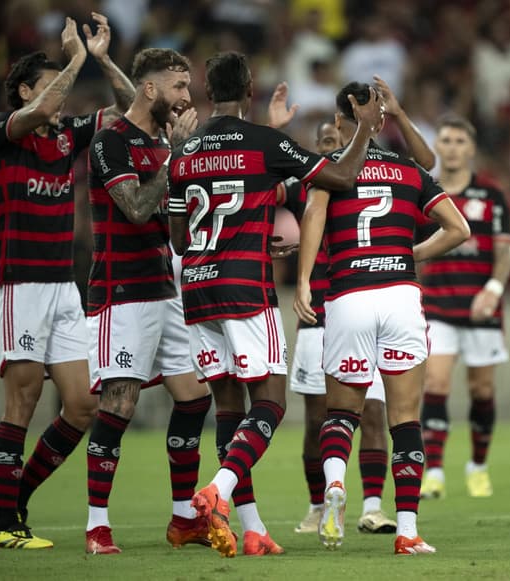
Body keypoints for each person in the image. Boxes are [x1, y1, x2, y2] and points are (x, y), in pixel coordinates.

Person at [168, 51, 383, 559]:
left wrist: (253, 229)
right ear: (250, 88)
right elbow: (342, 177)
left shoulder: (185, 151)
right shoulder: (265, 142)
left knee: (228, 409)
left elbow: (180, 239)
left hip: (197, 289)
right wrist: (365, 130)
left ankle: (253, 527)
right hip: (246, 290)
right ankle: (216, 490)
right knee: (270, 403)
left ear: (206, 88)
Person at [293, 81, 470, 555]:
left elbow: (313, 217)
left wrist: (306, 279)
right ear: (381, 118)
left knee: (341, 413)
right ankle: (408, 532)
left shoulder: (331, 169)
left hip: (348, 295)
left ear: (338, 123)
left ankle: (335, 488)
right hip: (399, 297)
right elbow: (459, 228)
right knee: (406, 418)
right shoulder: (407, 169)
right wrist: (410, 254)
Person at [0, 13, 133, 550]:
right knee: (21, 403)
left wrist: (102, 58)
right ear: (24, 90)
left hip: (63, 287)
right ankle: (4, 530)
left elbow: (135, 110)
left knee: (82, 405)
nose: (60, 96)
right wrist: (74, 59)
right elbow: (44, 107)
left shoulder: (69, 134)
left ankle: (13, 499)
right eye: (47, 84)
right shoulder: (3, 130)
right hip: (18, 285)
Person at [84, 47, 212, 555]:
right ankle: (97, 526)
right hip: (122, 290)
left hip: (164, 287)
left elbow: (176, 212)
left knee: (194, 397)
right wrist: (178, 156)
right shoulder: (108, 143)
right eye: (179, 87)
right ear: (154, 90)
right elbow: (137, 207)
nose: (187, 96)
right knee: (120, 402)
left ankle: (184, 519)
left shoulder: (161, 139)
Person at [417, 115, 510, 500]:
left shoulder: (491, 196)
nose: (453, 146)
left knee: (482, 390)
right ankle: (435, 472)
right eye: (447, 140)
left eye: (461, 140)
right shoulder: (426, 193)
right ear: (437, 147)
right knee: (436, 383)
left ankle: (477, 466)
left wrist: (492, 289)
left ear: (471, 148)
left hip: (481, 308)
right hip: (438, 306)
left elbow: (506, 250)